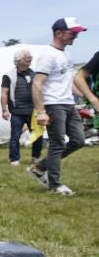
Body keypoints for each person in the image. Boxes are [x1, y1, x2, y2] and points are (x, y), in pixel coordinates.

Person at [28, 18, 88, 195]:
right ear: (59, 33)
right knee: (57, 143)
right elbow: (37, 83)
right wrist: (41, 112)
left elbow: (68, 81)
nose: (76, 36)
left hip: (68, 104)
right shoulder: (48, 54)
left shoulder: (67, 55)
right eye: (73, 33)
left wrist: (86, 96)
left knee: (78, 141)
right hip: (54, 104)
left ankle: (39, 167)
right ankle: (54, 185)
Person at [0, 49, 42, 166]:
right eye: (27, 57)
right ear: (19, 60)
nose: (30, 58)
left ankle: (36, 157)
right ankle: (14, 159)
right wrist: (4, 110)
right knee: (15, 135)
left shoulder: (34, 74)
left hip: (33, 111)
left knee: (38, 134)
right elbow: (4, 93)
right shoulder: (9, 76)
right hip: (17, 111)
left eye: (30, 57)